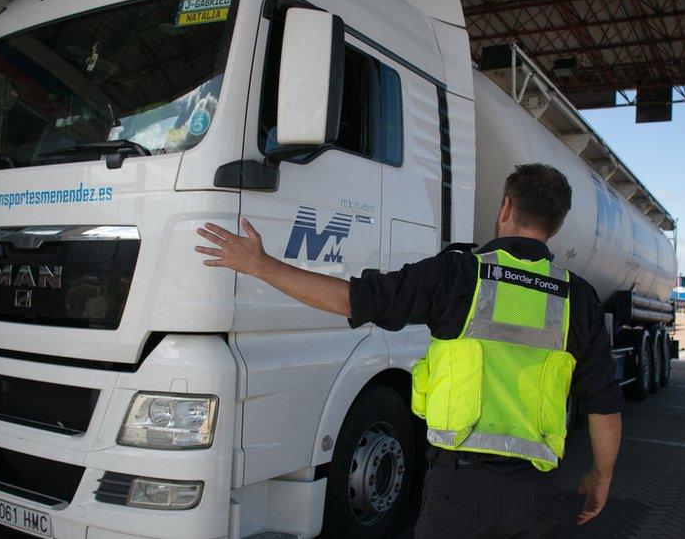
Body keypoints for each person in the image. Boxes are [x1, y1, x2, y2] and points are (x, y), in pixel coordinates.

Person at [195, 163, 623, 537]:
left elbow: (352, 300)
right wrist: (599, 478)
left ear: (506, 207)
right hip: (537, 496)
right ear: (557, 225)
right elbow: (603, 407)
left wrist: (261, 265)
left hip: (460, 493)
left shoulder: (458, 274)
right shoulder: (578, 299)